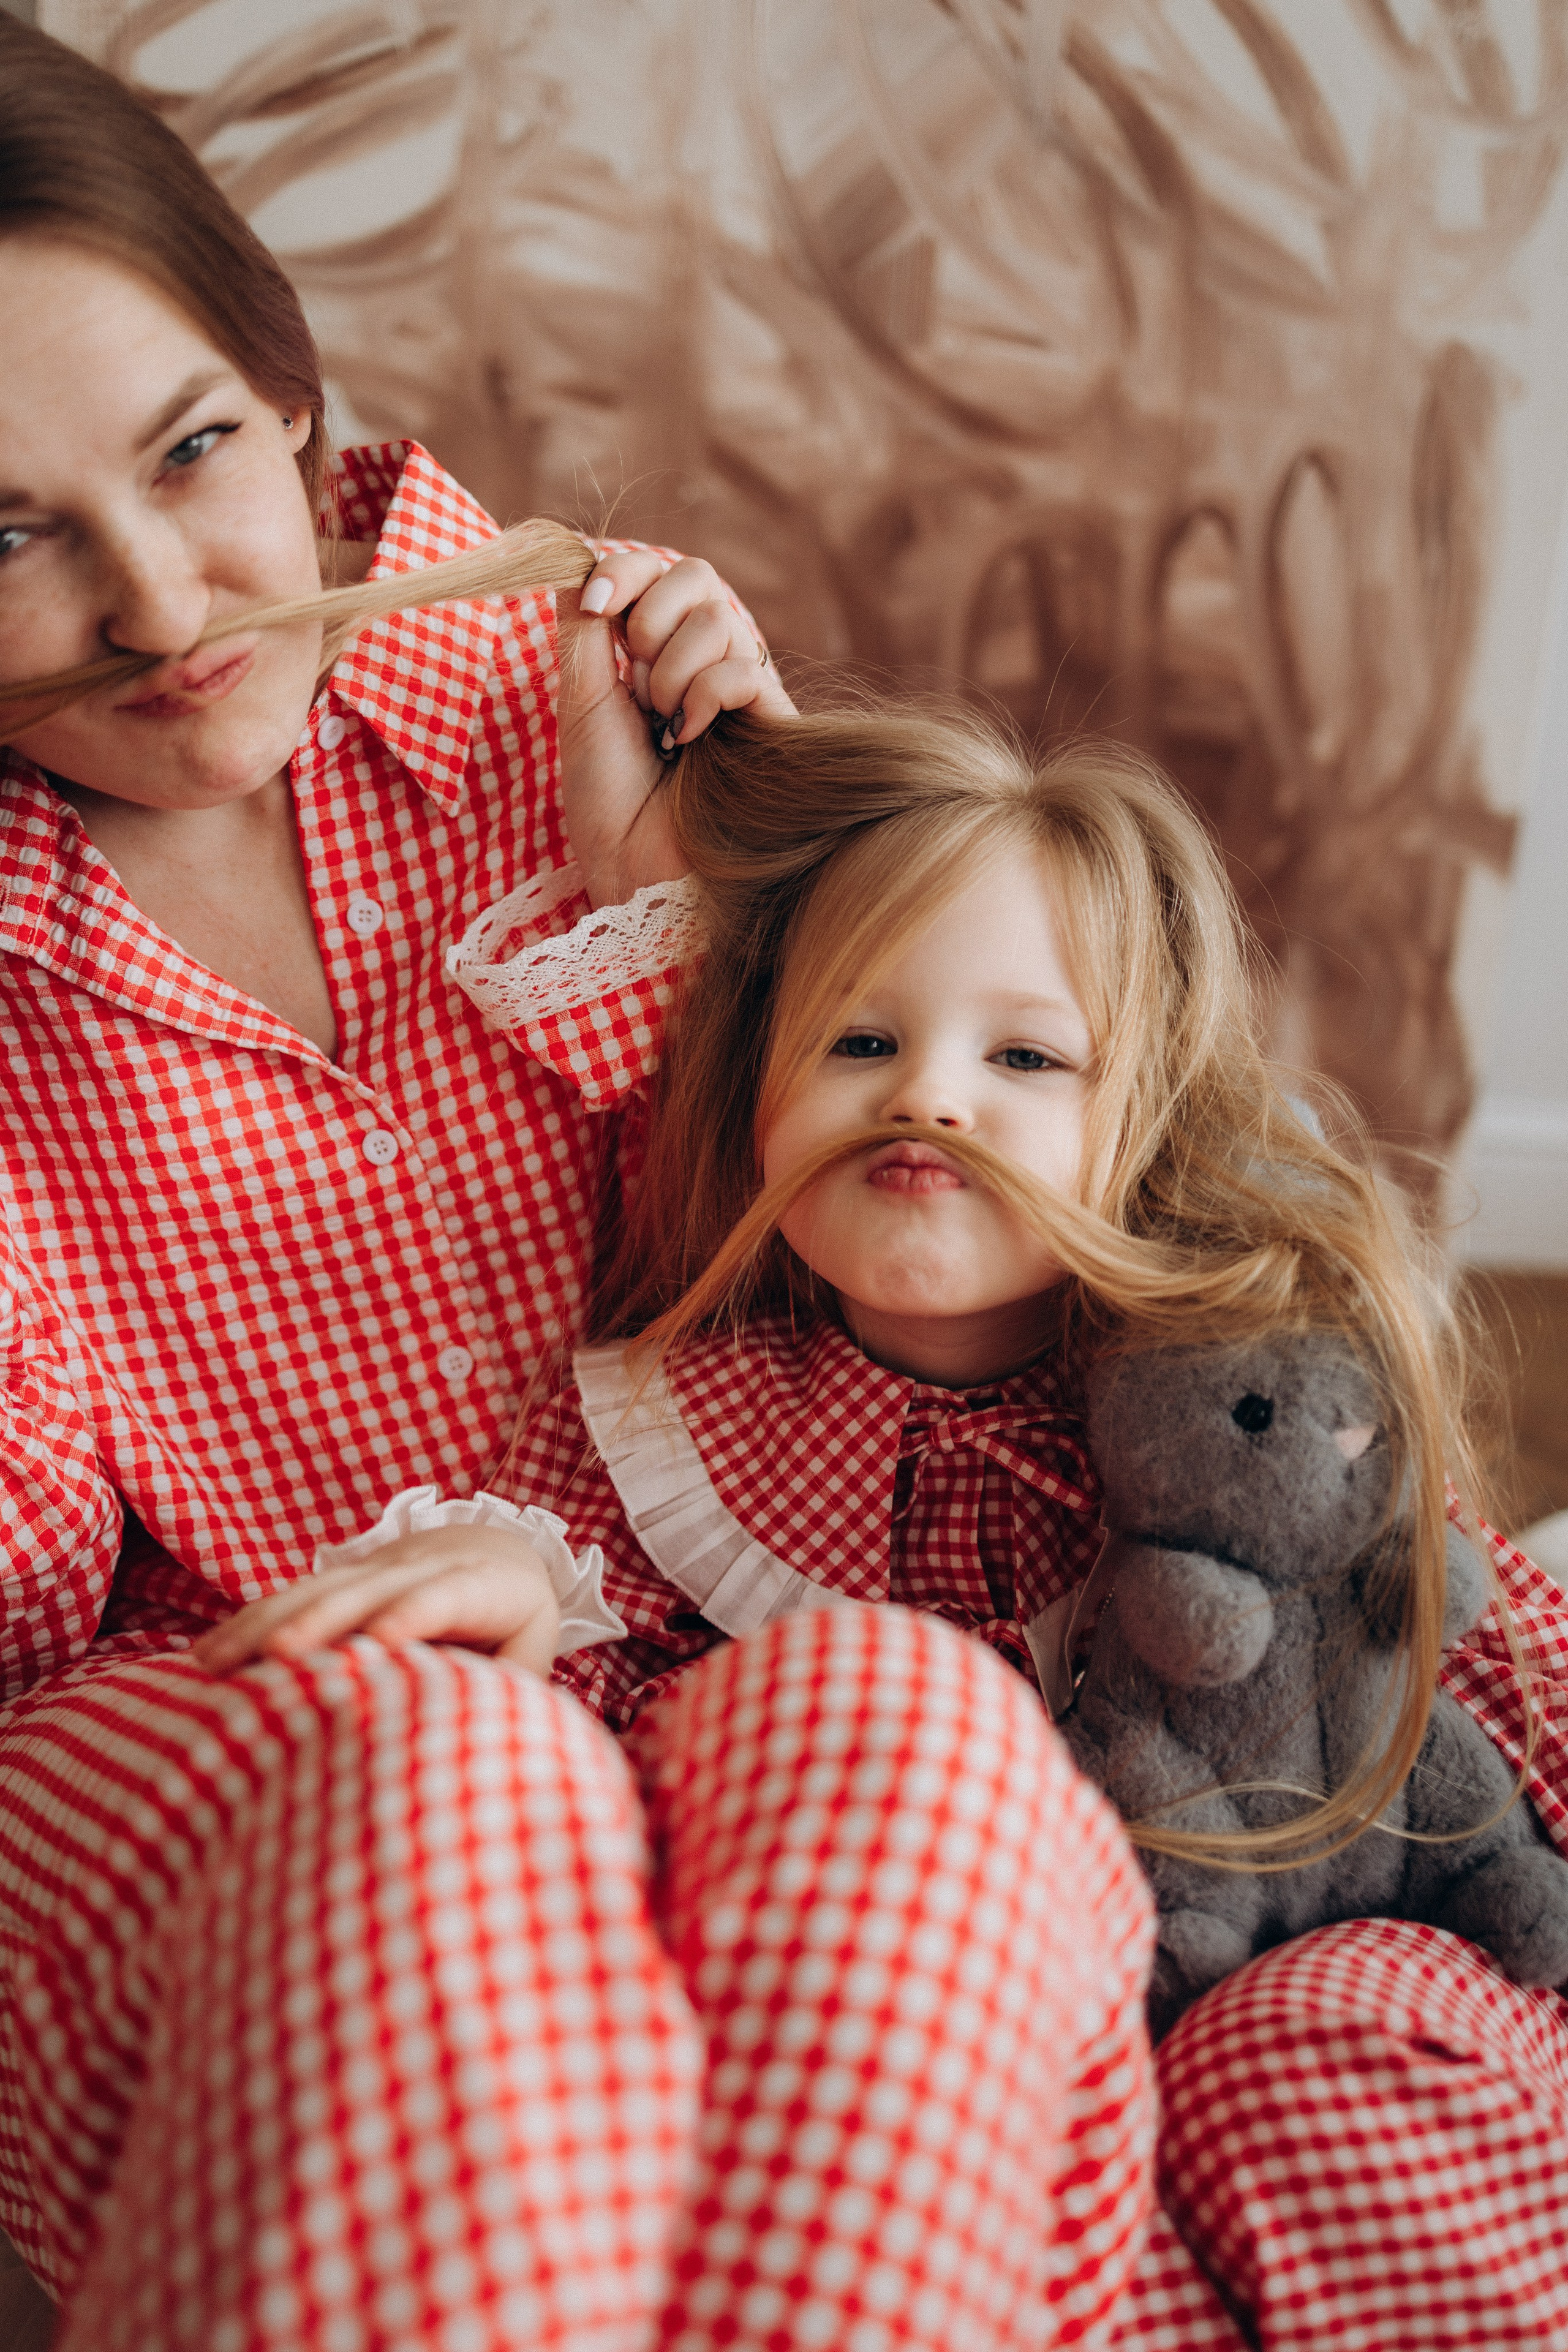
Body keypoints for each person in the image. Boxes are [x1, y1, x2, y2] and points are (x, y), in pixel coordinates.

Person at [0, 20, 1155, 2350]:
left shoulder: (570, 691)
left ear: (286, 389)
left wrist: (700, 919)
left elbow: (907, 1263)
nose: (161, 606)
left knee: (926, 1735)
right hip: (243, 1706)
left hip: (713, 1642)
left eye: (193, 449)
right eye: (2, 536)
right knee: (452, 1771)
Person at [208, 680, 1568, 2350]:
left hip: (1314, 1942)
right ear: (757, 1089)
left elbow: (1473, 1649)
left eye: (1024, 1056)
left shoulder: (1247, 1395)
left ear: (1142, 1115)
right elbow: (596, 1714)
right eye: (862, 1043)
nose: (931, 1096)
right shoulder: (681, 1430)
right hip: (947, 2059)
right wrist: (510, 1586)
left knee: (1338, 2079)